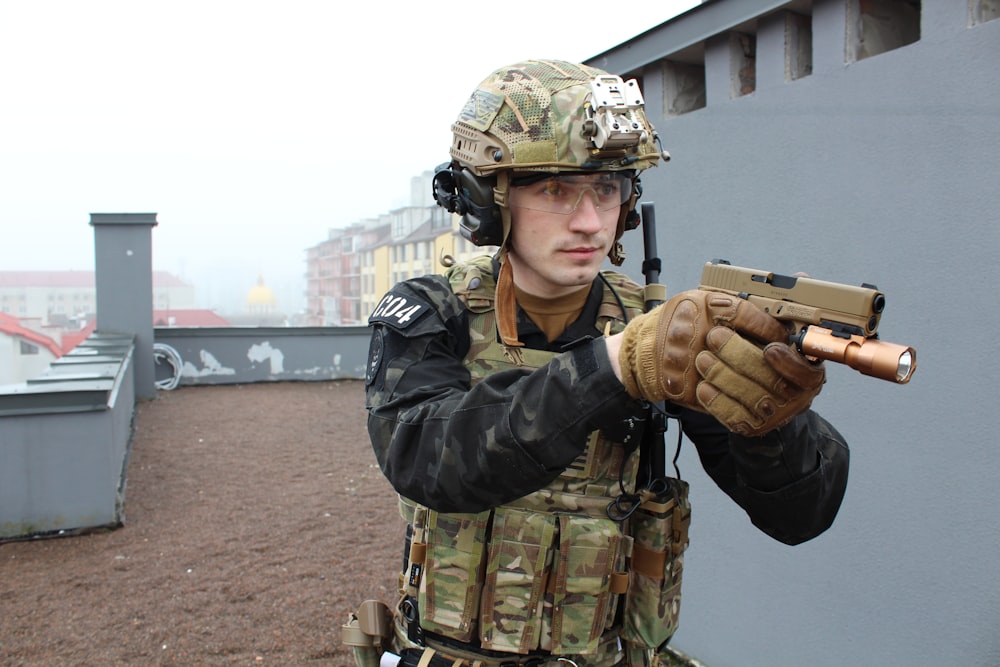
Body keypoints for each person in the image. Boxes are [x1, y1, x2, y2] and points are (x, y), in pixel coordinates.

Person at [346, 59, 849, 667]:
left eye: (606, 190)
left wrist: (770, 419)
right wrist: (610, 368)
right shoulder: (432, 311)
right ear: (489, 197)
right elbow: (426, 458)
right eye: (555, 190)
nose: (588, 221)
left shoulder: (660, 331)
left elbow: (799, 517)